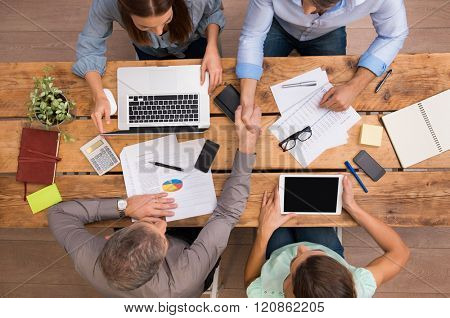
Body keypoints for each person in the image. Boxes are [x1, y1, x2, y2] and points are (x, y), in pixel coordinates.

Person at [47, 105, 262, 297]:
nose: (163, 223)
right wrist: (246, 148)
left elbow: (58, 213)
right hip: (190, 259)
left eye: (146, 224)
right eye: (162, 235)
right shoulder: (183, 277)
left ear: (108, 239)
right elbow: (226, 214)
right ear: (161, 261)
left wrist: (124, 207)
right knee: (207, 219)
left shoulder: (88, 259)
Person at [236, 0, 409, 125]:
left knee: (331, 102)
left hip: (328, 32)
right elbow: (253, 36)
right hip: (278, 24)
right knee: (253, 86)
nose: (306, 10)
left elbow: (393, 35)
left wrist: (354, 87)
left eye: (319, 4)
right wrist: (247, 101)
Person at [73, 0, 225, 133]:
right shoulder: (108, 3)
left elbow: (213, 12)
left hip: (195, 42)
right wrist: (98, 95)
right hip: (148, 51)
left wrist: (212, 46)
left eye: (168, 19)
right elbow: (89, 49)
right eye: (144, 27)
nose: (159, 32)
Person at [244, 175, 410, 297]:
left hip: (276, 254)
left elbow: (251, 281)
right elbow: (399, 252)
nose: (302, 248)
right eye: (320, 255)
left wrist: (263, 233)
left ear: (288, 289)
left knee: (271, 207)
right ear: (348, 277)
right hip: (324, 244)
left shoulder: (265, 299)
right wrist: (353, 208)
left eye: (294, 264)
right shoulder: (355, 289)